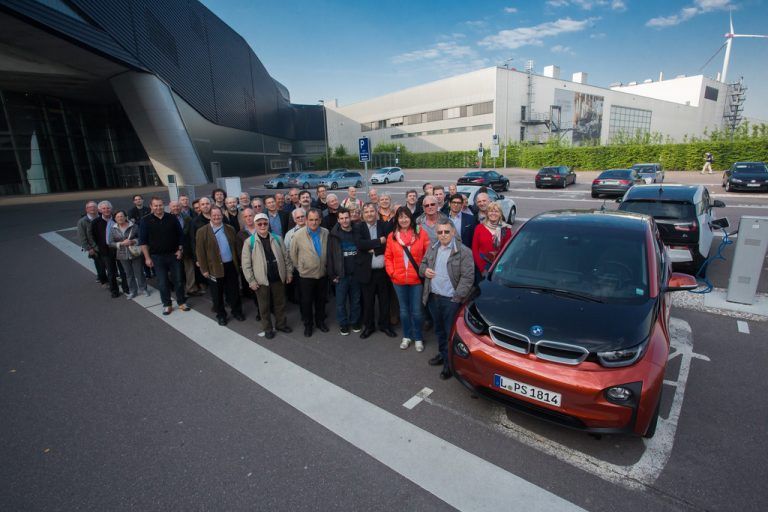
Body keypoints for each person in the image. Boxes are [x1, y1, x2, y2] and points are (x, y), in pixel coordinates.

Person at [420, 219, 474, 379]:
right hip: (433, 297)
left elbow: (468, 278)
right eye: (439, 232)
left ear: (453, 232)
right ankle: (443, 354)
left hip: (451, 301)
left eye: (446, 232)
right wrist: (425, 271)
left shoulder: (463, 251)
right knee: (439, 331)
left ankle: (449, 364)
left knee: (450, 333)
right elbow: (422, 265)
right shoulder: (433, 247)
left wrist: (456, 298)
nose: (443, 235)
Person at [241, 213, 294, 338]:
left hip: (278, 277)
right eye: (259, 224)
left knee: (280, 304)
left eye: (265, 223)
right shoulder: (249, 242)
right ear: (255, 225)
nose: (262, 226)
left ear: (268, 224)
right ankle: (268, 328)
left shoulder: (277, 238)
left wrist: (289, 272)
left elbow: (286, 257)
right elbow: (246, 264)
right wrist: (251, 281)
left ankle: (281, 324)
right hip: (261, 280)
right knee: (264, 307)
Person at [385, 207, 430, 351]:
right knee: (404, 311)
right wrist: (392, 273)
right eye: (400, 217)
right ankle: (406, 335)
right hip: (398, 280)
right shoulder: (392, 236)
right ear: (397, 219)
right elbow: (388, 257)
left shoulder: (420, 233)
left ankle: (418, 337)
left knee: (417, 311)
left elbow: (428, 255)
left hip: (416, 280)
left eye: (406, 217)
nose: (403, 220)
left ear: (411, 218)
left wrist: (423, 272)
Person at [139, 197, 189, 315]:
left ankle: (181, 302)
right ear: (151, 206)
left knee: (178, 280)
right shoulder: (145, 221)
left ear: (164, 205)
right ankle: (167, 304)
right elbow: (143, 241)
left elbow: (180, 236)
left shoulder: (171, 218)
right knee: (162, 282)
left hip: (174, 255)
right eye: (155, 206)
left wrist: (180, 250)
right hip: (157, 257)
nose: (158, 208)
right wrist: (147, 257)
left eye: (160, 205)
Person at [354, 203, 396, 339]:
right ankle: (369, 327)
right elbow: (360, 244)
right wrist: (379, 241)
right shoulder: (358, 227)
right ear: (362, 214)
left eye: (372, 211)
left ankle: (385, 325)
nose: (369, 214)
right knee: (368, 302)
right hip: (367, 272)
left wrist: (372, 248)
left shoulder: (384, 225)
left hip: (383, 272)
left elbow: (389, 245)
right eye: (366, 212)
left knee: (385, 301)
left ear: (376, 212)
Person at [196, 207, 244, 325]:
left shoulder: (229, 229)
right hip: (214, 268)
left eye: (219, 215)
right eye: (214, 215)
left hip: (230, 265)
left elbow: (235, 247)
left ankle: (236, 311)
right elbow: (200, 252)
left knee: (234, 291)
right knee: (217, 293)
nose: (217, 217)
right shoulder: (202, 231)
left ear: (222, 216)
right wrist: (204, 269)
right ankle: (221, 315)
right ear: (210, 216)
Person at [290, 208, 329, 337]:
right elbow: (292, 254)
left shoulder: (325, 232)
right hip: (306, 276)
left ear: (320, 220)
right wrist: (300, 267)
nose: (313, 222)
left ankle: (320, 322)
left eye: (316, 219)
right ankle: (308, 325)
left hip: (322, 274)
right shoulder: (298, 235)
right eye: (311, 220)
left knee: (321, 300)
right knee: (306, 302)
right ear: (306, 220)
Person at [327, 209, 361, 335]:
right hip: (341, 275)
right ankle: (343, 324)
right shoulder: (334, 234)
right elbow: (330, 256)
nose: (344, 220)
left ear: (350, 218)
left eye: (346, 217)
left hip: (356, 274)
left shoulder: (356, 231)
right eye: (341, 218)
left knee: (355, 301)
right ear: (338, 220)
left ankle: (355, 321)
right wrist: (332, 274)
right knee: (340, 302)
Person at [90, 200, 129, 298]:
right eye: (103, 208)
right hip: (105, 251)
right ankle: (114, 290)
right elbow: (92, 237)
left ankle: (126, 288)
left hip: (119, 248)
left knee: (123, 270)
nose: (106, 210)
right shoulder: (96, 222)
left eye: (108, 208)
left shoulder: (116, 219)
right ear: (100, 210)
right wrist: (96, 248)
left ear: (111, 209)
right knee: (111, 272)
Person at [108, 209, 148, 299]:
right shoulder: (113, 229)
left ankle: (143, 289)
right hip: (122, 254)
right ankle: (133, 291)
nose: (120, 218)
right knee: (128, 274)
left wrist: (133, 241)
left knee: (139, 272)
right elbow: (110, 243)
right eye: (117, 217)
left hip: (135, 252)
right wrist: (121, 243)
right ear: (115, 218)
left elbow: (141, 238)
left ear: (125, 217)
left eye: (121, 216)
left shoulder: (134, 226)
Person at [170, 200, 201, 297]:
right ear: (170, 208)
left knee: (189, 269)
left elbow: (190, 233)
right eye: (174, 207)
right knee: (176, 271)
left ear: (181, 207)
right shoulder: (167, 218)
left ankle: (190, 289)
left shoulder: (187, 218)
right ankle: (179, 290)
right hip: (173, 249)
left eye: (178, 206)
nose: (176, 208)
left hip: (186, 248)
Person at [472, 202, 513, 275]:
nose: (493, 213)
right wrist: (482, 268)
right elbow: (475, 249)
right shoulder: (479, 228)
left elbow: (508, 251)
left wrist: (500, 266)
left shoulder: (506, 229)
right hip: (482, 265)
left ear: (500, 214)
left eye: (496, 211)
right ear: (487, 213)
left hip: (499, 265)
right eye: (491, 211)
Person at [77, 200, 107, 285]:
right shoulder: (82, 222)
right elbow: (82, 237)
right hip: (94, 247)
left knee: (108, 263)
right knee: (99, 264)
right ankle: (103, 280)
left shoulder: (103, 217)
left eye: (94, 207)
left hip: (105, 245)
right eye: (90, 207)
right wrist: (89, 248)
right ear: (86, 209)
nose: (92, 209)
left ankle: (109, 277)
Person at [284, 207, 307, 307]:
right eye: (298, 217)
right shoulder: (289, 234)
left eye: (302, 216)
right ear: (294, 220)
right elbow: (286, 252)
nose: (301, 219)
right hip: (298, 269)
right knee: (302, 294)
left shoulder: (314, 230)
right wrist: (290, 270)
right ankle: (305, 315)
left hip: (313, 267)